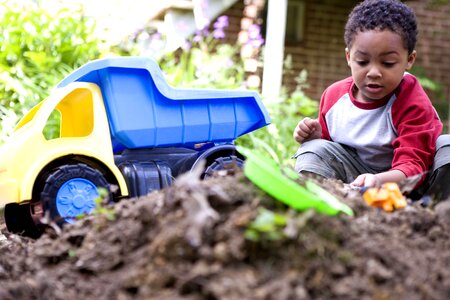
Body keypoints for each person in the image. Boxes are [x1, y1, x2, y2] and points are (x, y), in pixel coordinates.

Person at [292, 0, 450, 201]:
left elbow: (414, 163)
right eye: (363, 61)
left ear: (409, 59)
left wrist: (380, 181)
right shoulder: (334, 97)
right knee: (312, 149)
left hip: (413, 184)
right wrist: (316, 137)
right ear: (349, 57)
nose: (374, 72)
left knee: (447, 147)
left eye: (388, 63)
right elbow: (331, 154)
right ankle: (322, 201)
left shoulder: (412, 101)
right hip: (354, 183)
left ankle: (437, 210)